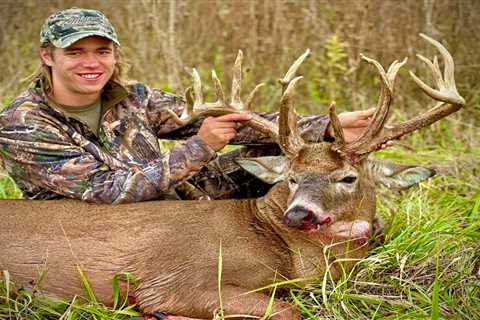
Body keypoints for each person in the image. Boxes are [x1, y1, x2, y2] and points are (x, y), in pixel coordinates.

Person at [0, 7, 384, 204]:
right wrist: (200, 147)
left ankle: (325, 221)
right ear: (47, 56)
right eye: (75, 52)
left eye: (102, 51)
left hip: (174, 202)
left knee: (273, 145)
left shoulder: (133, 97)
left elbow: (230, 123)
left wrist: (324, 128)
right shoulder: (22, 123)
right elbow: (107, 192)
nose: (91, 63)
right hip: (101, 231)